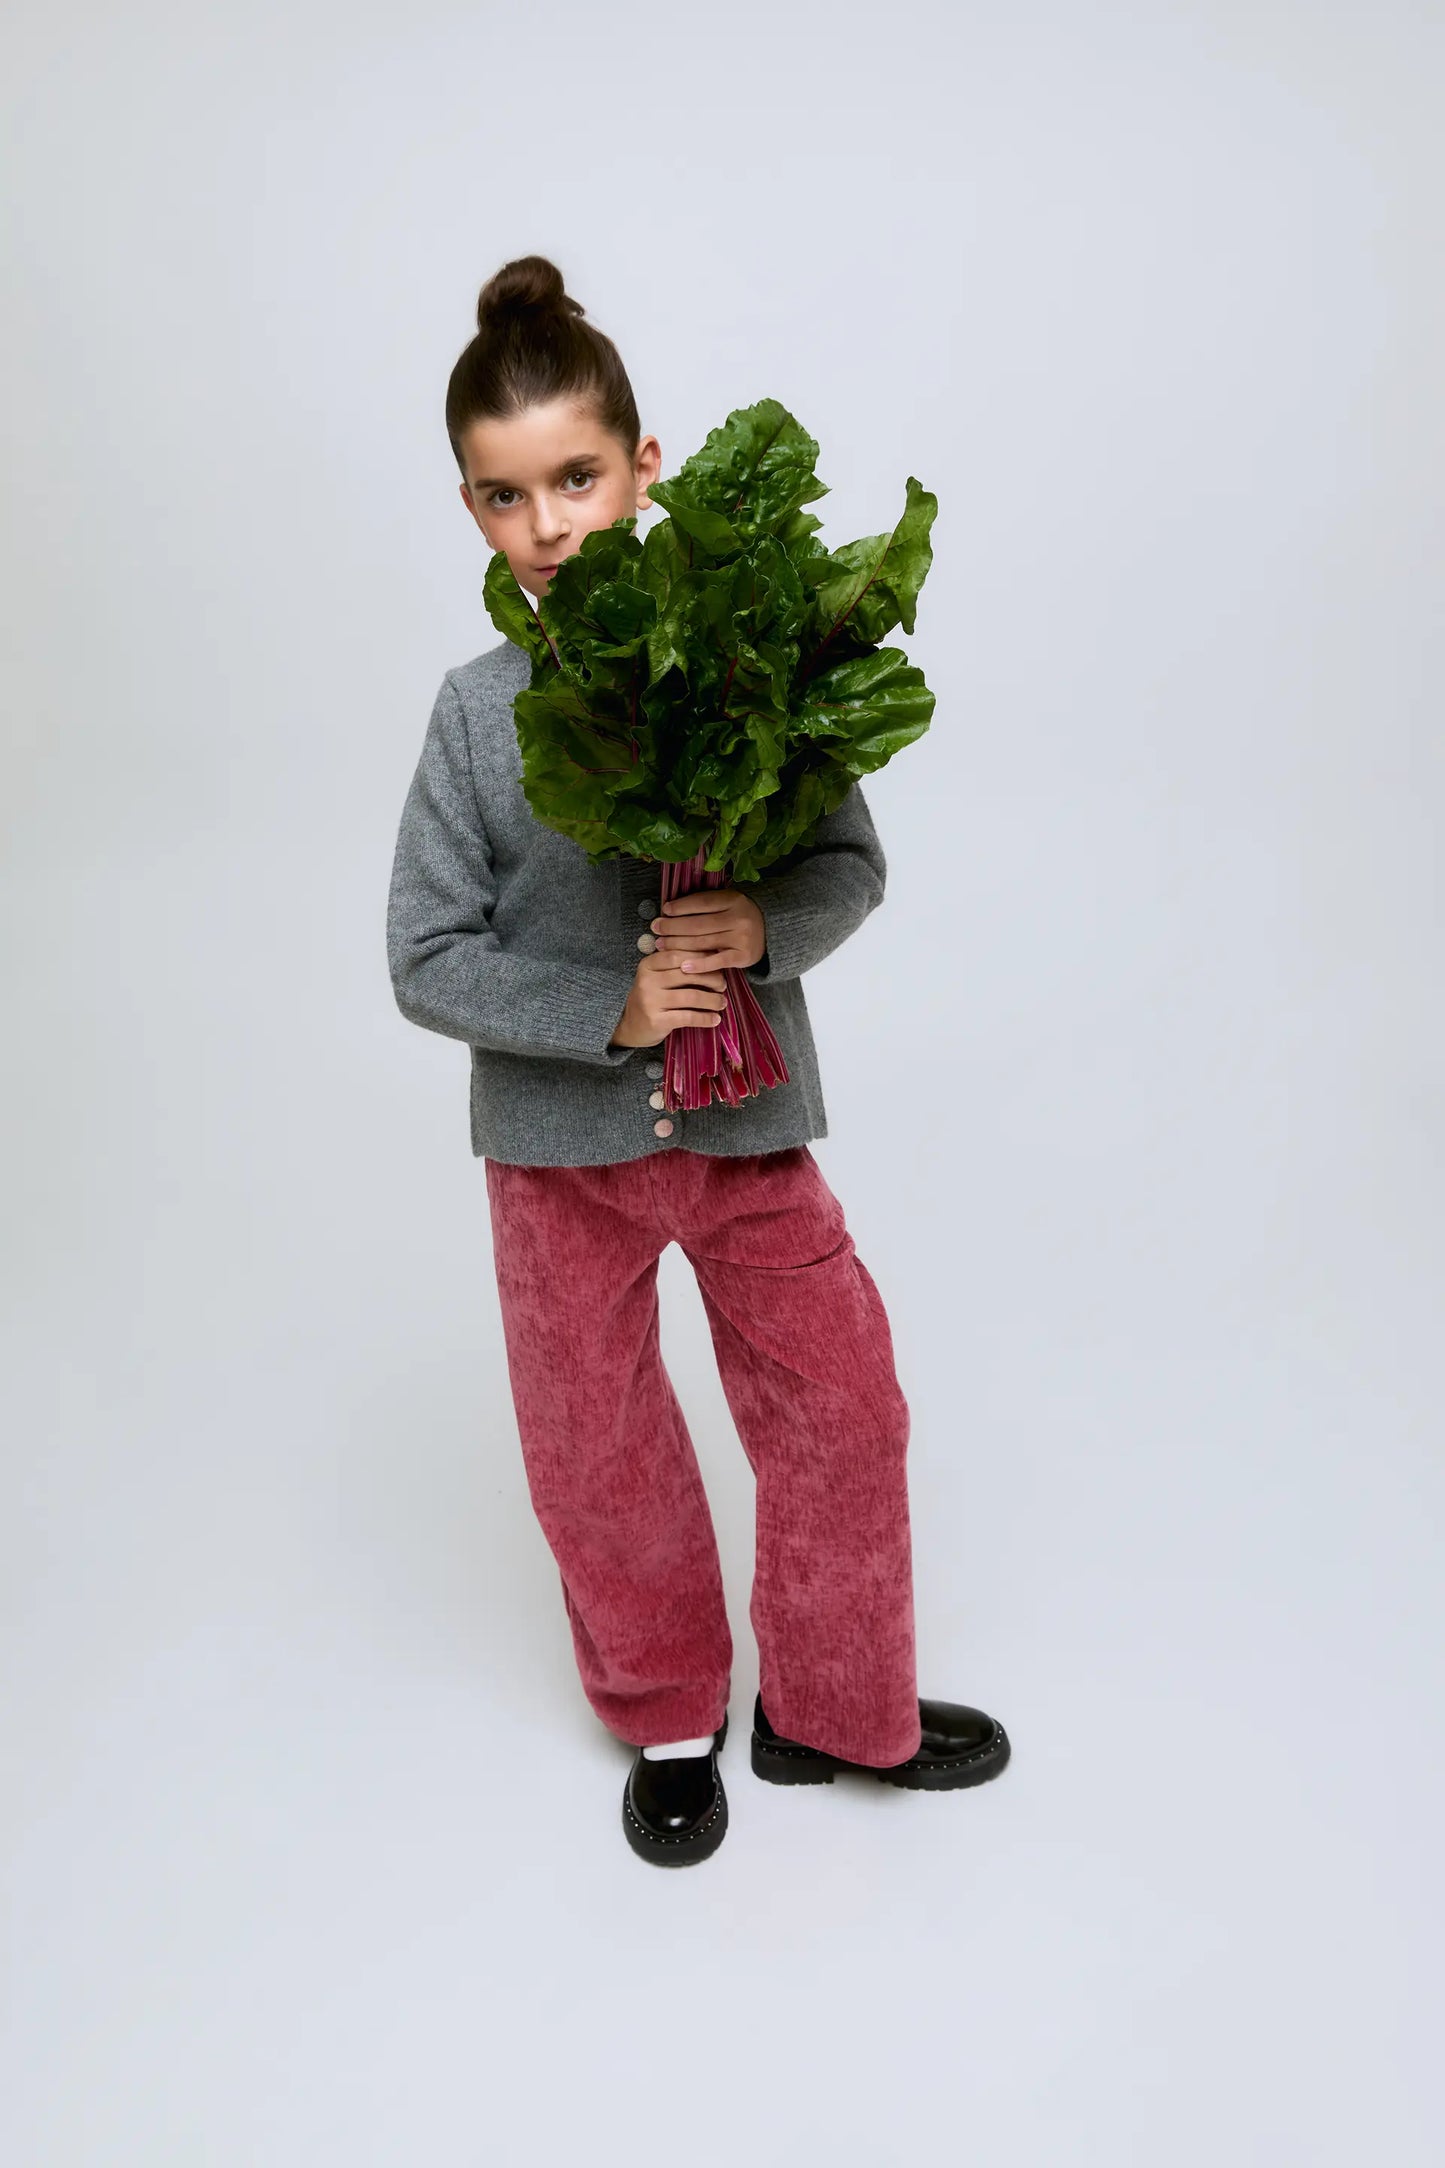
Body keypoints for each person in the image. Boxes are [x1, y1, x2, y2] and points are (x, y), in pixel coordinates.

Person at [386, 253, 1011, 1867]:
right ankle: (669, 1716)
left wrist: (760, 929)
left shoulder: (754, 659)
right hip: (555, 1162)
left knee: (841, 1406)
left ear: (643, 465)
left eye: (577, 478)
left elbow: (847, 863)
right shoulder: (473, 714)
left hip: (750, 1137)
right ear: (470, 508)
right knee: (595, 1449)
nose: (547, 525)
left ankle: (834, 1704)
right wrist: (606, 1010)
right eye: (505, 496)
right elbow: (426, 955)